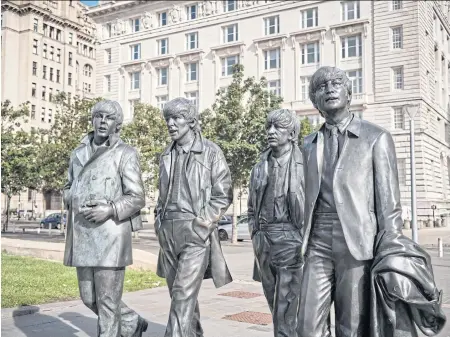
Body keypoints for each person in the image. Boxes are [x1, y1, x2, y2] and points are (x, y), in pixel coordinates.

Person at [297, 66, 404, 337]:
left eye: (336, 84)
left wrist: (390, 252)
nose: (330, 89)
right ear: (315, 100)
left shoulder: (376, 138)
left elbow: (389, 205)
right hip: (317, 244)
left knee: (352, 326)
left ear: (349, 92)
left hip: (357, 246)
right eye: (322, 87)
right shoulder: (308, 144)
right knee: (307, 325)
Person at [63, 100, 148, 337]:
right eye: (98, 116)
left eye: (109, 118)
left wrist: (110, 209)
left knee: (107, 301)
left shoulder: (125, 154)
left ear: (117, 124)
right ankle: (132, 323)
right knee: (89, 298)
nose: (102, 121)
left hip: (111, 234)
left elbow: (137, 197)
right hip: (83, 234)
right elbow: (68, 185)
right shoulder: (78, 153)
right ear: (92, 119)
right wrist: (72, 196)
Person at [155, 97, 233, 337]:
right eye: (168, 118)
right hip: (167, 231)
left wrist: (201, 225)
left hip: (194, 230)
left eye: (176, 118)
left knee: (182, 294)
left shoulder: (210, 152)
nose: (170, 123)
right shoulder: (165, 154)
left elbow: (224, 194)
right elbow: (162, 194)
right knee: (181, 296)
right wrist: (159, 222)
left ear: (191, 121)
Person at [248, 109, 305, 337]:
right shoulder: (259, 166)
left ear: (291, 134)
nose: (270, 132)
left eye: (277, 127)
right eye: (268, 127)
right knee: (276, 307)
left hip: (291, 239)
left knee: (286, 307)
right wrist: (255, 234)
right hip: (264, 241)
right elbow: (252, 207)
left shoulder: (307, 163)